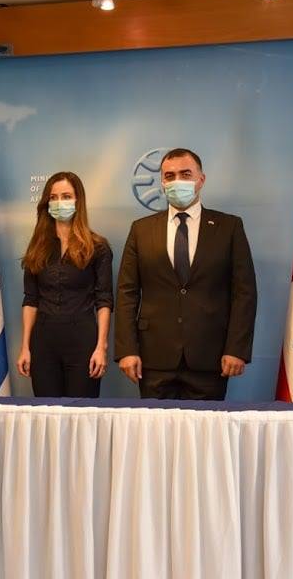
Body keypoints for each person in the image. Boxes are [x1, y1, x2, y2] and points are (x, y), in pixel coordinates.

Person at [114, 148, 257, 400]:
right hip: (153, 359)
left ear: (201, 179)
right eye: (169, 176)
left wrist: (237, 349)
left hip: (210, 358)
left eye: (185, 174)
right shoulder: (141, 230)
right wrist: (127, 349)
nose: (177, 181)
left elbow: (244, 292)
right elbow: (127, 293)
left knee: (204, 427)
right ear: (162, 182)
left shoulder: (229, 227)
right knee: (155, 427)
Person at [16, 172, 113, 397]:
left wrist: (101, 347)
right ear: (46, 203)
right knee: (46, 413)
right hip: (43, 342)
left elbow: (104, 301)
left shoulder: (97, 247)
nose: (60, 202)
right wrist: (25, 347)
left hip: (83, 341)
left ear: (78, 201)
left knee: (81, 412)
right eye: (54, 197)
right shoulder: (38, 247)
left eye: (66, 196)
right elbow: (31, 300)